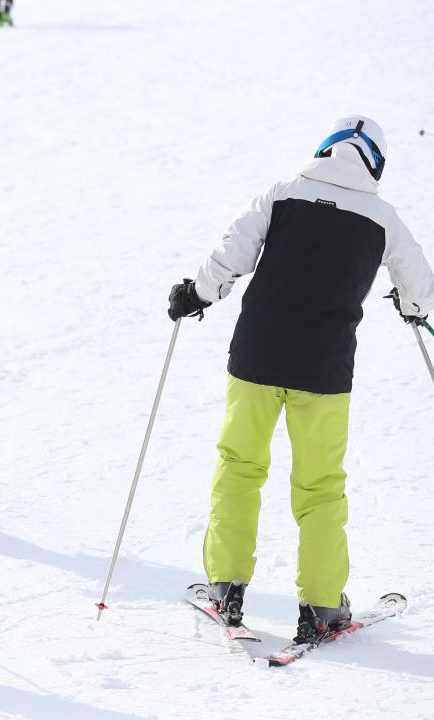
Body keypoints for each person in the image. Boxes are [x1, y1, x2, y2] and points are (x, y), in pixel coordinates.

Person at [168, 116, 434, 643]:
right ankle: (321, 607)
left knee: (239, 468)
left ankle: (225, 588)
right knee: (319, 487)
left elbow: (231, 254)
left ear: (325, 149)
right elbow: (421, 289)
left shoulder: (282, 193)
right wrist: (410, 307)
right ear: (376, 163)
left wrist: (194, 294)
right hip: (324, 368)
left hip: (256, 356)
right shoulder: (383, 218)